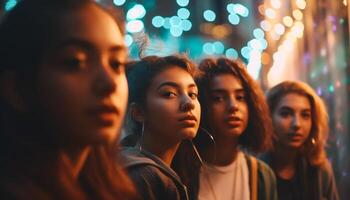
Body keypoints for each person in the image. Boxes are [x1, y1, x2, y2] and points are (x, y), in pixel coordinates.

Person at [0, 0, 137, 199]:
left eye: (117, 64)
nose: (109, 83)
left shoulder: (112, 187)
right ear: (15, 88)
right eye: (75, 62)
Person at [179, 57, 277, 200]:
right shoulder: (181, 171)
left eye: (240, 97)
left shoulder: (261, 175)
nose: (233, 106)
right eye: (218, 98)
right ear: (201, 104)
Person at [120, 55, 201, 200]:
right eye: (169, 94)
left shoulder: (126, 161)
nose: (189, 103)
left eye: (192, 94)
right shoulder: (144, 176)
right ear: (138, 112)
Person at [264, 80, 339, 200]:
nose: (297, 124)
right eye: (286, 114)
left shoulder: (320, 170)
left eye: (305, 115)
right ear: (268, 118)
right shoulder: (254, 169)